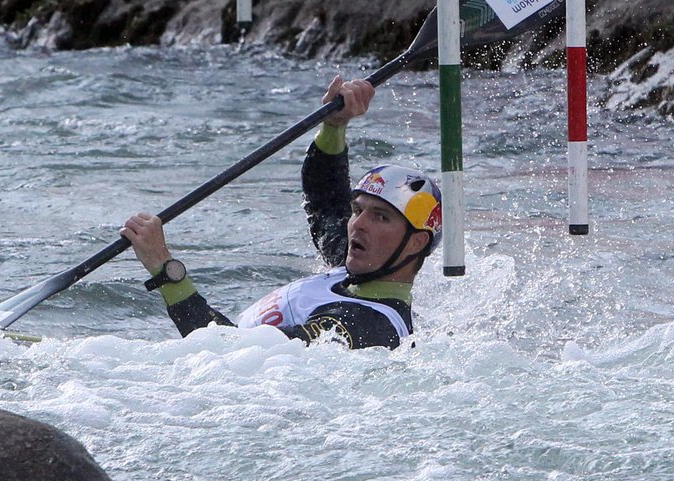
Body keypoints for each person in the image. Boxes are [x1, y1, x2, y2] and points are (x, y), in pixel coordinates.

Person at [120, 76, 442, 350]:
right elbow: (324, 200)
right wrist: (334, 126)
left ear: (415, 243)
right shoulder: (356, 268)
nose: (358, 224)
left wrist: (165, 269)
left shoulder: (361, 326)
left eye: (381, 217)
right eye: (358, 210)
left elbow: (226, 350)